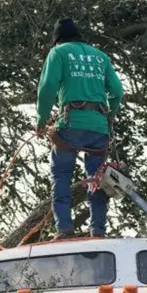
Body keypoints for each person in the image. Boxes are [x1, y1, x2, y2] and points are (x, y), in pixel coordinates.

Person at [35, 18, 124, 240]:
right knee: (97, 179)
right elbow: (117, 92)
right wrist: (109, 116)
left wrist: (41, 120)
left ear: (57, 40)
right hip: (98, 127)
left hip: (70, 124)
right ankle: (98, 231)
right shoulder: (100, 57)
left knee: (61, 176)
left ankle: (64, 229)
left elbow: (47, 88)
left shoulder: (59, 53)